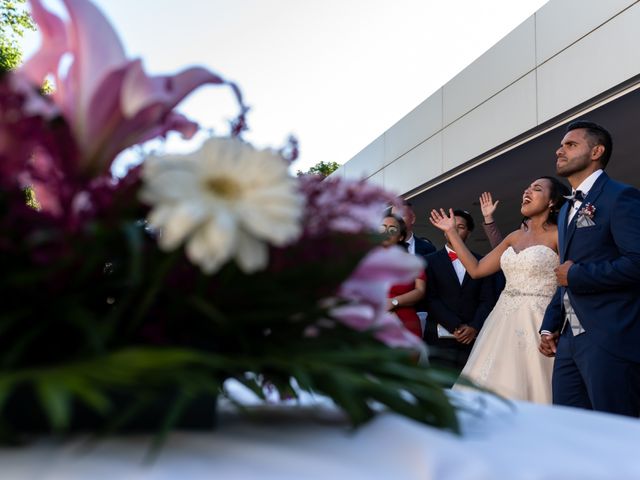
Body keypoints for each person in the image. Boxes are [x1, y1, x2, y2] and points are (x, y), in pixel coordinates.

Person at [429, 176, 569, 403]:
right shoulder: (514, 236)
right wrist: (452, 233)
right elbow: (476, 269)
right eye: (527, 187)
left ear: (552, 201)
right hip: (501, 319)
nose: (527, 191)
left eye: (536, 188)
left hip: (540, 319)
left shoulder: (560, 235)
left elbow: (569, 282)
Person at [539, 121, 640, 417]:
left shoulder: (620, 197)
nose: (560, 150)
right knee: (571, 431)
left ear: (596, 151)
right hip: (569, 340)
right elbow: (564, 272)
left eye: (571, 145)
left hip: (609, 337)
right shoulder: (566, 211)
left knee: (617, 433)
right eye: (561, 145)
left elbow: (637, 262)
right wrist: (550, 324)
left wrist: (578, 276)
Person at [424, 209, 496, 373]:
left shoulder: (482, 261)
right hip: (438, 338)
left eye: (461, 227)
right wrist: (455, 325)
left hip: (474, 338)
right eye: (451, 226)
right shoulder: (428, 261)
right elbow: (430, 298)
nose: (454, 230)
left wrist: (474, 327)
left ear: (469, 233)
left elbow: (487, 299)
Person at [380, 213, 425, 338]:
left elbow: (420, 290)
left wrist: (394, 302)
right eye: (382, 228)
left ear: (400, 237)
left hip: (406, 323)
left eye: (392, 229)